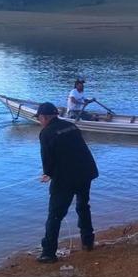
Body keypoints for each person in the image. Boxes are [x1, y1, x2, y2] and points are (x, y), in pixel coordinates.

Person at [35, 101, 99, 263]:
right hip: (86, 171)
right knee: (83, 206)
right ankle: (88, 241)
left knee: (55, 215)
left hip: (66, 178)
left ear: (44, 117)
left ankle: (48, 253)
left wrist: (47, 174)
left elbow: (47, 158)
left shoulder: (46, 133)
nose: (39, 121)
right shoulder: (71, 125)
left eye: (39, 118)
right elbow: (77, 148)